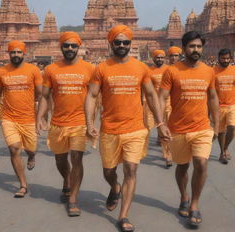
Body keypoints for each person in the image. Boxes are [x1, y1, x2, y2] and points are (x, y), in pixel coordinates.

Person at [85, 25, 171, 232]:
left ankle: (123, 215)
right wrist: (89, 123)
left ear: (131, 44)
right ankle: (115, 187)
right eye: (118, 42)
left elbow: (151, 96)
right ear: (111, 43)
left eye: (125, 42)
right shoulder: (102, 68)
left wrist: (160, 124)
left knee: (131, 169)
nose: (122, 45)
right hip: (110, 129)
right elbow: (92, 96)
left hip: (135, 128)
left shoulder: (141, 68)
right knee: (109, 171)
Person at [159, 31, 219, 227]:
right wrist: (161, 124)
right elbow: (161, 98)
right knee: (182, 166)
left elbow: (212, 97)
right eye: (192, 46)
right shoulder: (172, 71)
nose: (196, 50)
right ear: (184, 48)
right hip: (178, 128)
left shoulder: (208, 71)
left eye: (199, 47)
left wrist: (216, 124)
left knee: (201, 163)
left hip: (202, 127)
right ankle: (184, 196)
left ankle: (194, 203)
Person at [37, 32, 95, 217]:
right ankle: (67, 180)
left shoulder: (89, 69)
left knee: (77, 159)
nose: (70, 48)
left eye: (73, 46)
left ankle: (73, 198)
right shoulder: (51, 69)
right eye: (66, 45)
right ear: (61, 47)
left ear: (79, 47)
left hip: (79, 122)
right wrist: (40, 117)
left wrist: (91, 121)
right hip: (58, 122)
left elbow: (95, 97)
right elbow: (45, 96)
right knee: (60, 159)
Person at [0, 40, 42, 198]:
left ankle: (32, 156)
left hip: (28, 118)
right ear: (9, 54)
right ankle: (23, 184)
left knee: (30, 149)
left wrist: (42, 115)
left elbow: (40, 94)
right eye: (13, 52)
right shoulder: (1, 71)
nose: (16, 55)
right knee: (14, 149)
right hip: (8, 118)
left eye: (19, 52)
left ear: (24, 53)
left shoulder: (33, 70)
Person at [144, 49, 172, 167]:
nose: (160, 59)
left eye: (162, 57)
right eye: (157, 57)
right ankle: (142, 149)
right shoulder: (148, 71)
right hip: (151, 103)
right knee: (148, 127)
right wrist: (143, 101)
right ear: (153, 58)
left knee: (165, 127)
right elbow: (144, 88)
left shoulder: (169, 70)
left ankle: (167, 154)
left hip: (166, 102)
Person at [214, 48, 235, 164]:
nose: (226, 60)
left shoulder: (234, 70)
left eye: (227, 58)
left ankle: (226, 147)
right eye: (223, 58)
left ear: (230, 58)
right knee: (221, 132)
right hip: (219, 106)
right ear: (219, 59)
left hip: (232, 105)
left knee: (232, 128)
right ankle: (222, 152)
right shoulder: (213, 71)